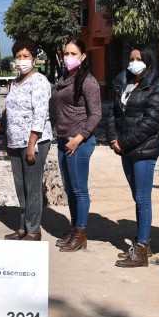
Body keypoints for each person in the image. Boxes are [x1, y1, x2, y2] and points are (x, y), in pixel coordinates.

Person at [105, 44, 159, 267]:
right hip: (125, 149)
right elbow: (112, 112)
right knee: (137, 196)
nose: (134, 63)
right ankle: (144, 242)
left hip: (144, 149)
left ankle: (141, 247)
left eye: (139, 58)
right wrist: (113, 138)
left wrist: (123, 141)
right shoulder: (124, 82)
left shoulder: (158, 87)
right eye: (131, 58)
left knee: (142, 198)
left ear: (149, 61)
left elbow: (151, 122)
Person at [51, 38, 101, 252]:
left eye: (73, 53)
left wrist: (79, 138)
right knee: (70, 189)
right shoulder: (63, 78)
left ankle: (81, 233)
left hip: (79, 142)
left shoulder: (88, 82)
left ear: (83, 56)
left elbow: (96, 114)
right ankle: (74, 227)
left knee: (80, 190)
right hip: (63, 140)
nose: (68, 57)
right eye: (66, 53)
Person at [3, 39, 53, 241]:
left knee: (32, 187)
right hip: (15, 141)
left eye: (26, 56)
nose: (22, 60)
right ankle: (23, 226)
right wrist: (8, 141)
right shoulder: (15, 82)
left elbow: (39, 114)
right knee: (20, 186)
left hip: (34, 141)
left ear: (34, 59)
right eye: (18, 56)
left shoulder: (39, 81)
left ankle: (34, 229)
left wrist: (32, 143)